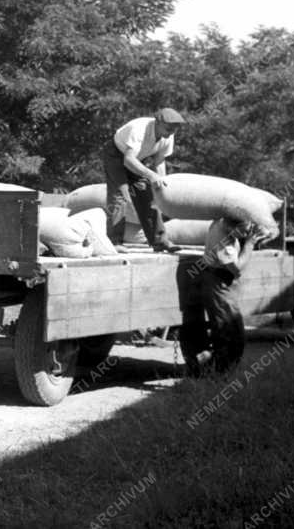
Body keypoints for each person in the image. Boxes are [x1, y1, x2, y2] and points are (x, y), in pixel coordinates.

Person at [179, 217, 263, 376]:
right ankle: (219, 374)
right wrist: (250, 244)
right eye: (245, 228)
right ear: (234, 224)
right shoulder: (224, 239)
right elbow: (237, 269)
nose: (247, 232)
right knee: (230, 333)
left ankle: (209, 367)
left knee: (229, 331)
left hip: (217, 282)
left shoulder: (220, 224)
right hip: (219, 285)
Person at [102, 108, 185, 252]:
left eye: (174, 130)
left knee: (148, 196)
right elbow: (128, 160)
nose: (171, 132)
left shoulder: (168, 136)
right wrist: (152, 175)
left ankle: (159, 241)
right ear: (157, 122)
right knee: (120, 196)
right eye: (168, 128)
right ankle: (114, 242)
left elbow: (159, 161)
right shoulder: (139, 129)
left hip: (137, 159)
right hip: (116, 156)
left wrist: (162, 185)